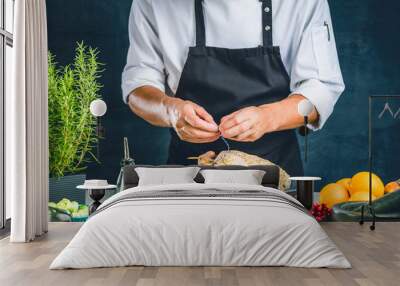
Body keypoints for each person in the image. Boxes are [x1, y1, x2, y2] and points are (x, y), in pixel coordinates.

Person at [122, 0, 344, 176]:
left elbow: (320, 89)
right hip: (187, 175)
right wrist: (170, 111)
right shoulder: (154, 3)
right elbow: (139, 86)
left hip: (276, 176)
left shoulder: (302, 3)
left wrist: (268, 117)